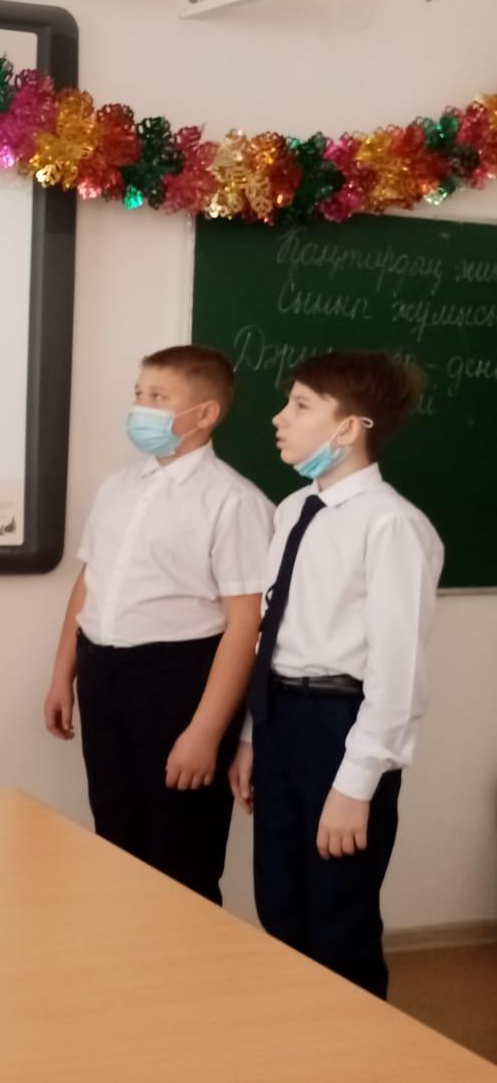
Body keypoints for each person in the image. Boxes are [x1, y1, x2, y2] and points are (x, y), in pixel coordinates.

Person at [228, 350, 441, 997]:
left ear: (348, 427)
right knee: (281, 904)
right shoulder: (293, 509)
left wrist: (356, 785)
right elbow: (274, 632)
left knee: (338, 918)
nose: (279, 418)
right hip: (280, 717)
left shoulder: (392, 525)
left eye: (300, 405)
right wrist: (252, 733)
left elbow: (397, 672)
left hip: (341, 729)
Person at [45, 345, 272, 903]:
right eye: (138, 394)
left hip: (178, 681)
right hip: (103, 671)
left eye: (158, 397)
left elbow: (245, 624)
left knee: (179, 852)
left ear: (205, 413)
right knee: (115, 835)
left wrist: (205, 732)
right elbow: (90, 582)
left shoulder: (234, 501)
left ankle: (187, 956)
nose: (140, 408)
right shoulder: (119, 486)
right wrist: (62, 674)